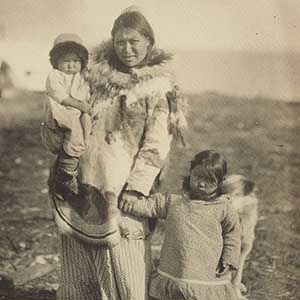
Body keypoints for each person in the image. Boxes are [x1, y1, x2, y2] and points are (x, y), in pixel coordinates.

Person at [50, 7, 187, 300]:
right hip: (82, 182)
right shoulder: (94, 77)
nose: (127, 49)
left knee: (127, 269)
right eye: (120, 41)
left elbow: (157, 144)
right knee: (79, 264)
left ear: (149, 42)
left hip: (124, 190)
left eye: (134, 42)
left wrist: (137, 189)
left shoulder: (158, 86)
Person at [119, 150, 241, 300]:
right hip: (173, 271)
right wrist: (129, 204)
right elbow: (151, 206)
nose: (201, 184)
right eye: (197, 177)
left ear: (220, 182)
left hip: (205, 276)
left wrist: (229, 259)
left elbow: (233, 234)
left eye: (209, 180)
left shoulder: (223, 208)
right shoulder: (175, 201)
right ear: (190, 173)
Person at [41, 33, 92, 198]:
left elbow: (89, 92)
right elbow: (59, 96)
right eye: (66, 61)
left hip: (78, 112)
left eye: (76, 61)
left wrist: (86, 107)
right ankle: (66, 173)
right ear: (56, 62)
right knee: (73, 131)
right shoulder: (54, 76)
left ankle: (81, 159)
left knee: (88, 127)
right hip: (60, 112)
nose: (71, 66)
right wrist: (79, 105)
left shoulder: (83, 76)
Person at [221, 174, 258, 300]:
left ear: (247, 196)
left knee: (243, 251)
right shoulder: (223, 214)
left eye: (236, 195)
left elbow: (241, 256)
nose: (229, 199)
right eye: (226, 194)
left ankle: (234, 285)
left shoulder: (248, 215)